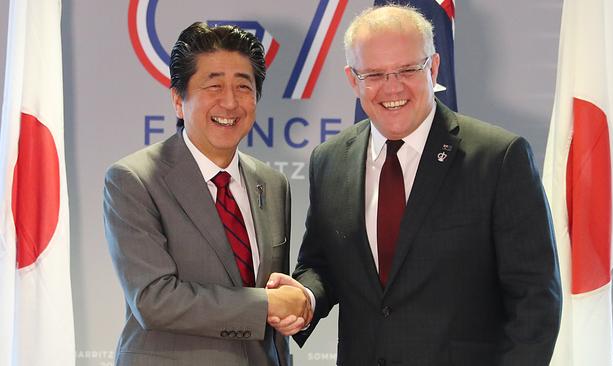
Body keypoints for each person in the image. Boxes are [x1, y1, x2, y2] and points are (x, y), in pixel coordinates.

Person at [268, 4, 562, 365]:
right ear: (352, 78)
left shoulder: (499, 157)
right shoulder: (330, 160)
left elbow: (535, 299)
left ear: (433, 67)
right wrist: (305, 297)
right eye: (374, 74)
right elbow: (322, 263)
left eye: (408, 69)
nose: (392, 88)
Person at [103, 22, 310, 366]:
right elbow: (154, 299)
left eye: (243, 87)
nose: (230, 101)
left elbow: (272, 295)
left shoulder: (272, 183)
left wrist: (292, 305)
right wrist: (267, 305)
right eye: (213, 85)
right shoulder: (134, 179)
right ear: (178, 101)